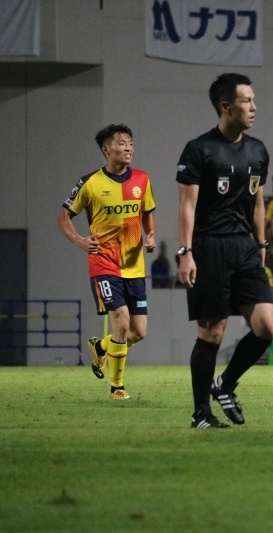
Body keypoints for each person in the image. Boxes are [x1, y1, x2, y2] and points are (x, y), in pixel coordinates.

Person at [176, 73, 273, 429]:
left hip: (245, 247)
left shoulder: (258, 150)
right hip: (208, 246)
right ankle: (201, 413)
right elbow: (187, 206)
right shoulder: (199, 149)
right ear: (226, 107)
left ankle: (226, 384)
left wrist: (261, 243)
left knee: (266, 326)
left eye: (253, 99)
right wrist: (185, 252)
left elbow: (258, 202)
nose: (254, 107)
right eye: (246, 100)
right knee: (212, 332)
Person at [57, 124, 156, 400]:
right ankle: (117, 388)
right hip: (104, 264)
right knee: (121, 324)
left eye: (130, 143)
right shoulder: (89, 183)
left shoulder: (142, 180)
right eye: (122, 143)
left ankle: (100, 347)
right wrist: (80, 241)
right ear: (106, 150)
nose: (128, 148)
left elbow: (147, 212)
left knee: (138, 332)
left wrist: (150, 235)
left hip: (134, 266)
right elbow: (63, 218)